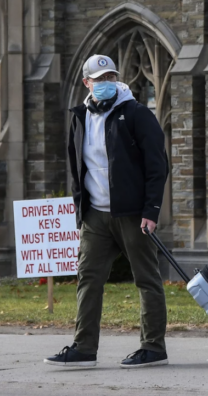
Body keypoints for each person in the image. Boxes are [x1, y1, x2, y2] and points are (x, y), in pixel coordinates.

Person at [44, 54, 169, 369]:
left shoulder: (136, 114)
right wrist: (79, 212)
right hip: (95, 216)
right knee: (88, 278)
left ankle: (153, 348)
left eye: (110, 77)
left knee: (147, 279)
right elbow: (77, 168)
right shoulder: (79, 116)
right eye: (99, 80)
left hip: (131, 213)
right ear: (87, 83)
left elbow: (158, 166)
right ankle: (84, 348)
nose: (105, 84)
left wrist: (151, 210)